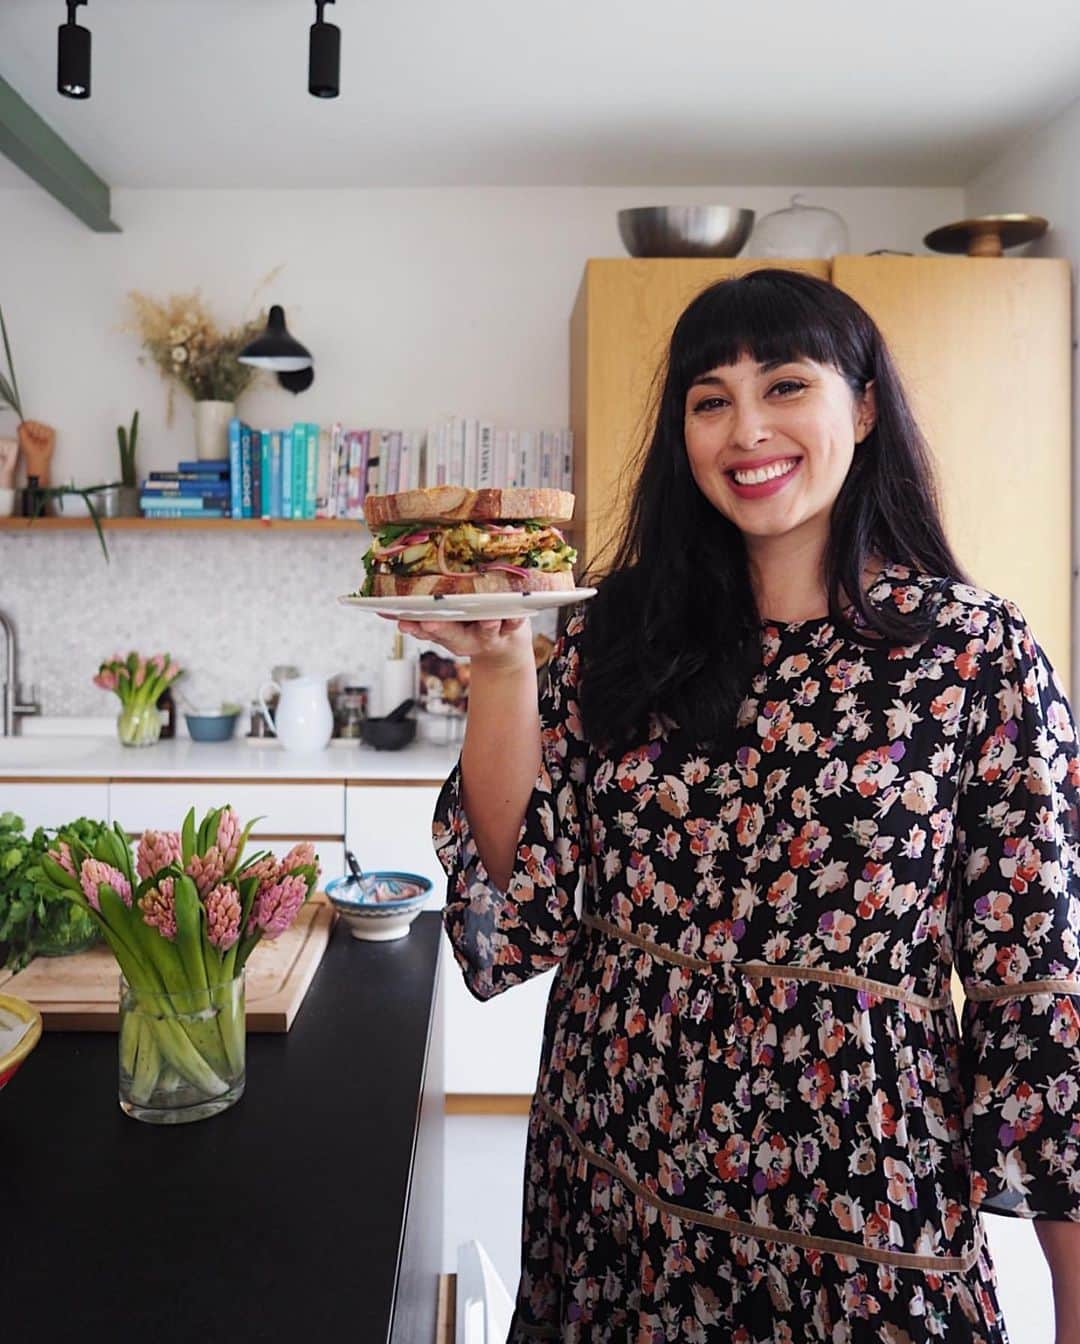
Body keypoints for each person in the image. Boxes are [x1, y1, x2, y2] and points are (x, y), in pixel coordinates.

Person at [386, 269, 1080, 1341]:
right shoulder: (617, 635)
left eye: (785, 385)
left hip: (857, 1214)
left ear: (861, 406)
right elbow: (522, 902)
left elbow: (1035, 992)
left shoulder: (973, 654)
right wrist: (502, 668)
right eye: (710, 400)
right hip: (616, 1191)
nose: (746, 429)